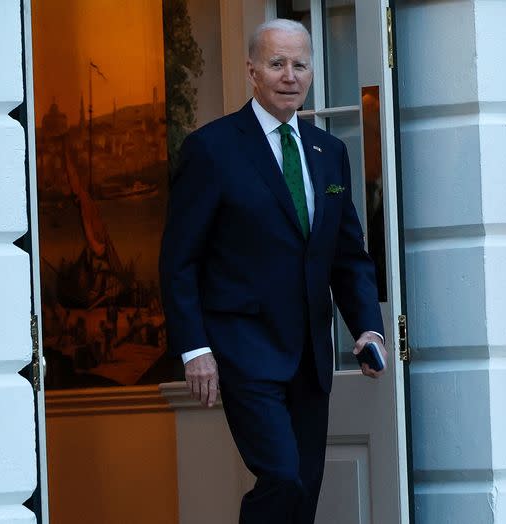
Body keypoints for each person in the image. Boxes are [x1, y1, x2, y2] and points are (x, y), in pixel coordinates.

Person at [160, 18, 386, 524]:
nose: (290, 75)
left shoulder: (330, 153)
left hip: (310, 353)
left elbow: (347, 254)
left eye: (300, 64)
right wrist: (195, 350)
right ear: (252, 72)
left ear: (311, 73)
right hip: (244, 350)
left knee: (303, 490)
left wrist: (367, 325)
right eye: (276, 63)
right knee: (282, 477)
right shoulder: (212, 149)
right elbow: (179, 260)